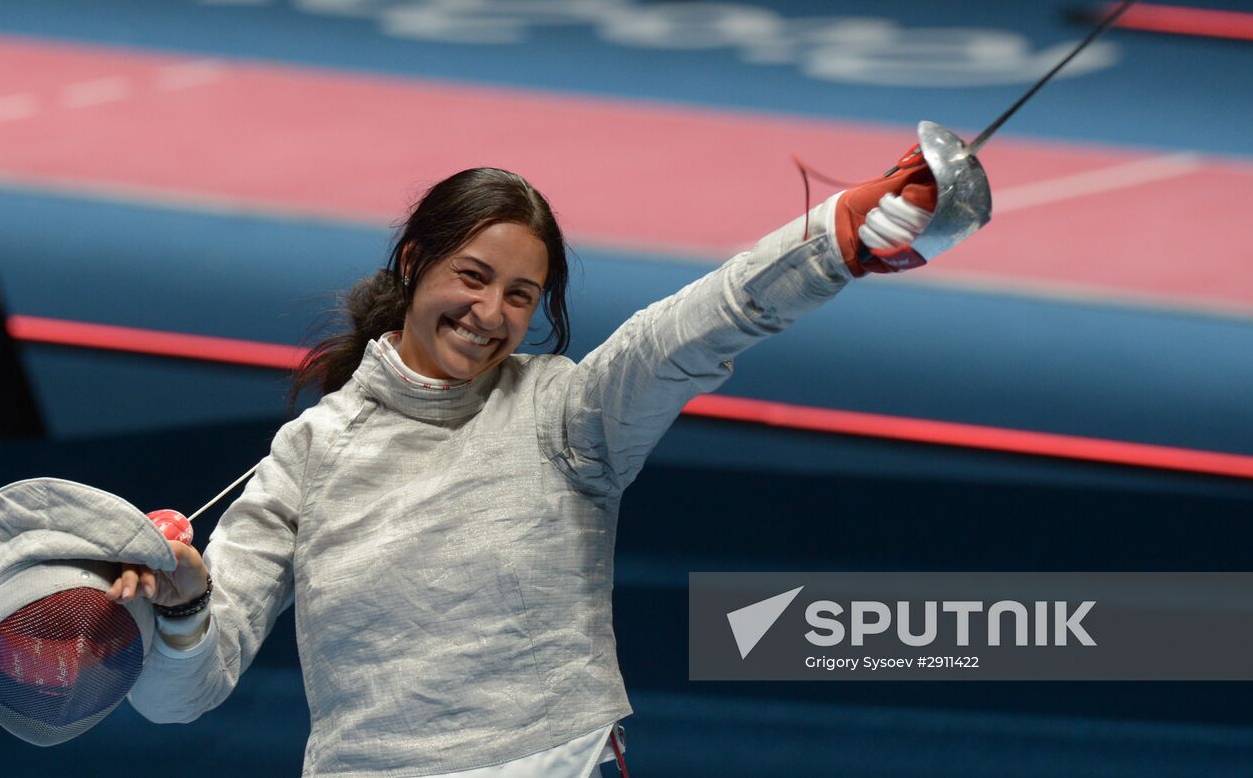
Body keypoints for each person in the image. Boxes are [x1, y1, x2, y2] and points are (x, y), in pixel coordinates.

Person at [105, 159, 941, 777]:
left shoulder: (566, 413)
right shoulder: (311, 451)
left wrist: (827, 242)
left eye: (520, 294)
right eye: (472, 276)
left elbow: (679, 337)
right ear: (413, 262)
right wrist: (181, 604)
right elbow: (179, 696)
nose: (489, 313)